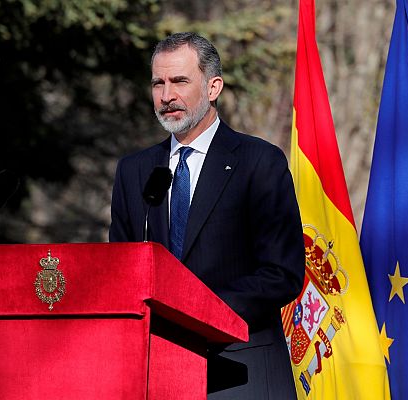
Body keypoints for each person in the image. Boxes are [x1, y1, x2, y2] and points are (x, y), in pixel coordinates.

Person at [109, 32, 305, 399]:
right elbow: (122, 271)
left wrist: (197, 309)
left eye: (180, 81)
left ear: (213, 87)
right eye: (158, 83)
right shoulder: (134, 172)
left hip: (241, 370)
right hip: (156, 372)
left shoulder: (259, 162)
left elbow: (283, 273)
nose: (167, 96)